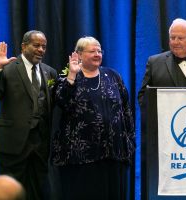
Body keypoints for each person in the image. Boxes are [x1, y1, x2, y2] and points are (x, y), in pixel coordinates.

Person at [50, 36, 135, 200]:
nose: (97, 54)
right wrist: (72, 77)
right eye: (92, 51)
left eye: (99, 50)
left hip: (114, 154)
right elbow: (62, 102)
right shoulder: (69, 78)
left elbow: (126, 109)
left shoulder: (112, 76)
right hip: (81, 158)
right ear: (79, 54)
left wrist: (129, 140)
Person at [0, 30, 57, 200]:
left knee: (38, 190)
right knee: (10, 192)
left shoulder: (50, 72)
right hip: (13, 143)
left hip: (40, 145)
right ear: (24, 46)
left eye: (44, 46)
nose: (41, 50)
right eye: (36, 45)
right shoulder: (8, 68)